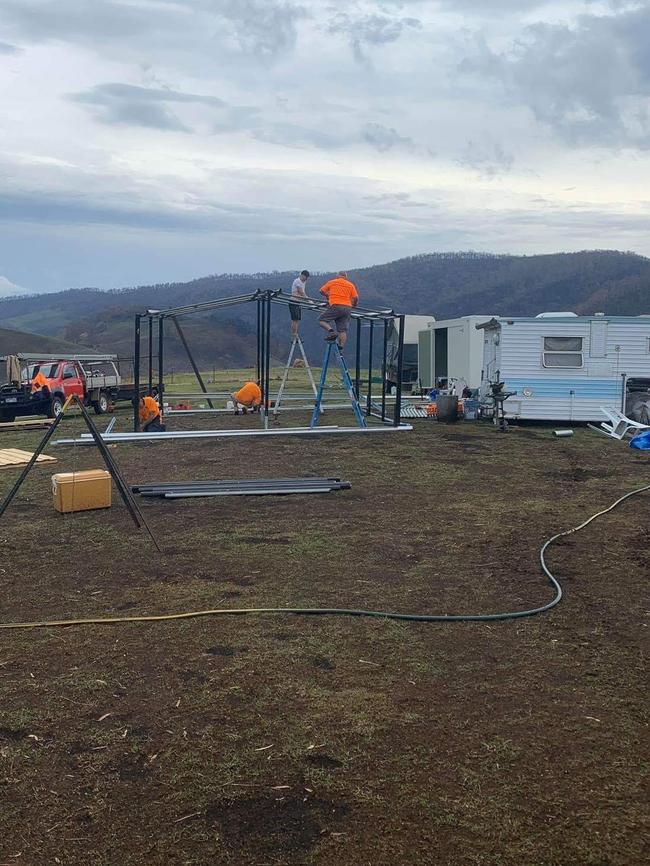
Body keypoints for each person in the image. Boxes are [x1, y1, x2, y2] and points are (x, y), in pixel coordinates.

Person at [318, 271, 359, 350]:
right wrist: (354, 304)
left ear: (338, 276)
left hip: (336, 305)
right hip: (347, 308)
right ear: (345, 277)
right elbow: (356, 298)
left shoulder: (333, 282)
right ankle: (341, 347)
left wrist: (328, 296)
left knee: (321, 320)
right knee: (342, 330)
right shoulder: (350, 285)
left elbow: (321, 291)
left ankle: (331, 332)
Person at [289, 270, 310, 339]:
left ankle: (295, 333)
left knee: (297, 319)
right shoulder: (297, 281)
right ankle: (294, 334)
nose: (306, 280)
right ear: (302, 275)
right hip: (294, 301)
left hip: (298, 301)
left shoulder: (303, 282)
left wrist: (306, 299)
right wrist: (308, 300)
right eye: (306, 278)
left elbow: (302, 293)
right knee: (294, 319)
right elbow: (301, 292)